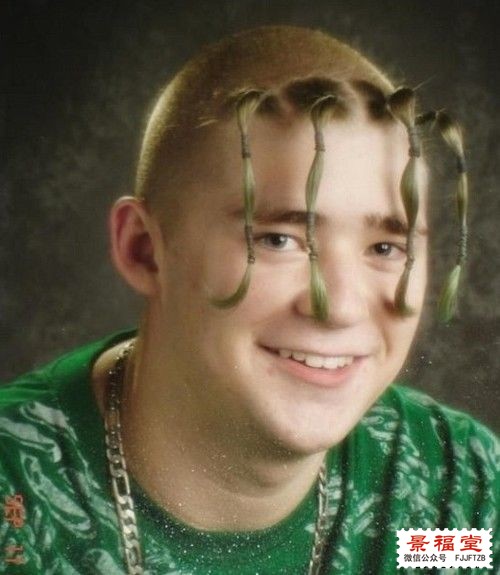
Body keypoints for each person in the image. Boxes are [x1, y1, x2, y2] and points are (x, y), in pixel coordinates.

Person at [0, 25, 498, 575]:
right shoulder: (15, 512)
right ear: (144, 251)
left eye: (385, 248)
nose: (341, 307)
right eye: (278, 240)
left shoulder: (456, 502)